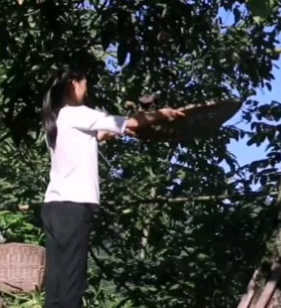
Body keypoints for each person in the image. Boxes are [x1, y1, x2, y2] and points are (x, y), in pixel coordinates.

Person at [39, 67, 185, 308]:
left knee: (56, 282)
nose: (87, 89)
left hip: (53, 207)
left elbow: (101, 133)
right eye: (85, 83)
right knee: (72, 282)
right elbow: (133, 122)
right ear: (73, 84)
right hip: (74, 207)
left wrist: (122, 129)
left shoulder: (57, 120)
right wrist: (163, 114)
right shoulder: (78, 113)